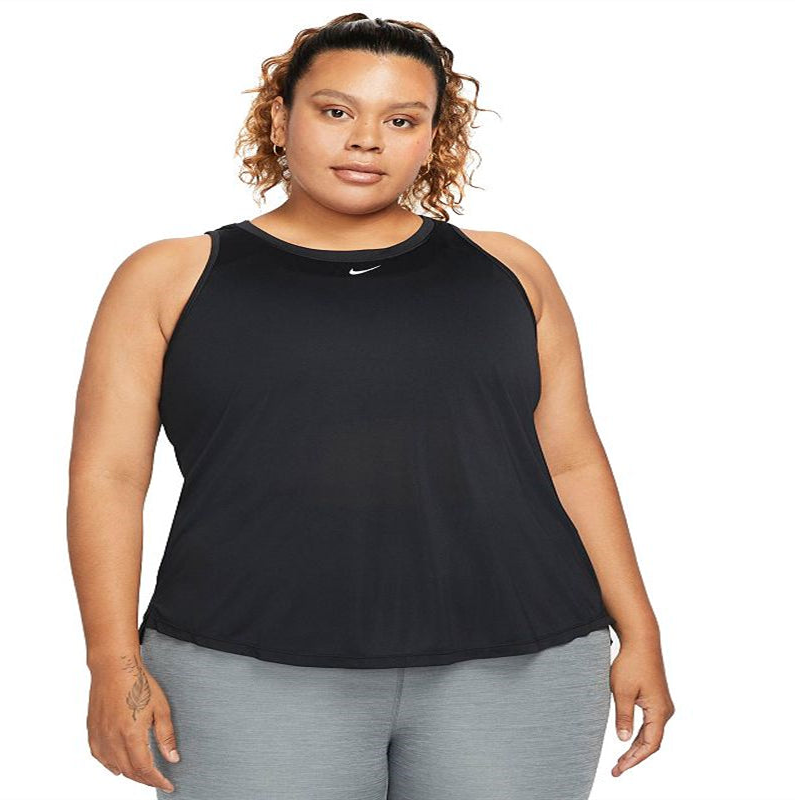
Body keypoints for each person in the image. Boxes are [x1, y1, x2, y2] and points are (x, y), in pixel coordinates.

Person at [67, 13, 675, 800]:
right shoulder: (170, 277)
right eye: (335, 110)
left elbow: (572, 461)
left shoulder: (509, 271)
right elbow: (110, 478)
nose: (366, 140)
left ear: (432, 139)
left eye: (401, 120)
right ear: (280, 119)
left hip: (522, 666)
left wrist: (641, 632)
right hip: (242, 667)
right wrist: (111, 662)